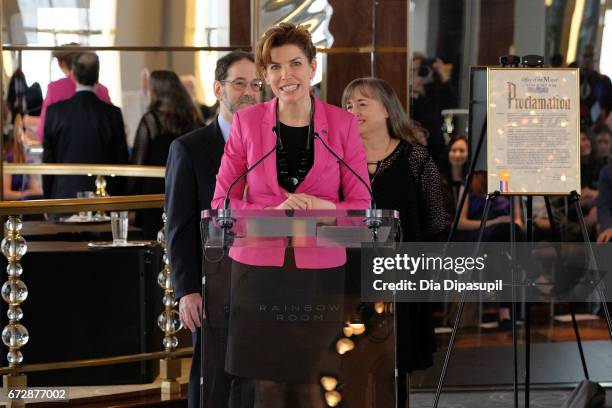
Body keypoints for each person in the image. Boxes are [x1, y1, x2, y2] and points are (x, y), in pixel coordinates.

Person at [210, 23, 370, 406]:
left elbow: (364, 210)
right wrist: (272, 210)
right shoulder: (247, 124)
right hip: (257, 273)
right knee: (266, 385)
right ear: (265, 76)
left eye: (295, 63)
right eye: (275, 67)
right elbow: (221, 204)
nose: (286, 75)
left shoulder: (342, 124)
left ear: (313, 68)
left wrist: (326, 207)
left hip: (320, 274)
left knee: (310, 383)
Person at [342, 77, 447, 407]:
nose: (353, 110)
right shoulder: (339, 161)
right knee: (352, 368)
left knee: (395, 370)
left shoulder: (416, 159)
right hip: (350, 281)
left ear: (387, 110)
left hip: (402, 282)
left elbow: (436, 223)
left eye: (362, 103)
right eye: (348, 105)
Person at [165, 50, 261, 408]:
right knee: (212, 385)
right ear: (219, 88)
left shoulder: (274, 144)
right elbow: (179, 226)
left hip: (264, 284)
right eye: (240, 83)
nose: (249, 91)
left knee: (256, 383)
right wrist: (186, 289)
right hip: (212, 286)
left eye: (256, 84)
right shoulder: (187, 149)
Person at [42, 52, 128, 200]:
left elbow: (48, 159)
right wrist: (120, 198)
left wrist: (47, 197)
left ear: (73, 75)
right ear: (97, 75)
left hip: (64, 195)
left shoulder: (54, 112)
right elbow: (121, 159)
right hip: (103, 194)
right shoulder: (112, 114)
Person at [129, 70, 203, 239]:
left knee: (155, 242)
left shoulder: (151, 120)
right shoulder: (193, 118)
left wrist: (129, 194)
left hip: (155, 190)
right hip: (187, 185)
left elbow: (138, 162)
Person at [37, 43, 112, 142]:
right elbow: (112, 129)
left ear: (62, 63)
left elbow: (43, 133)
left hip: (65, 154)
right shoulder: (102, 90)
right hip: (99, 154)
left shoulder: (54, 89)